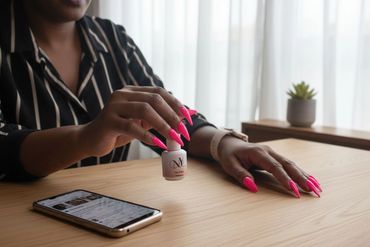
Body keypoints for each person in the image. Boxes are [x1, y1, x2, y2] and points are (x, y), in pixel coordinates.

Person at [0, 0, 321, 198]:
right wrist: (84, 138)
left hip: (111, 220)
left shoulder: (113, 38)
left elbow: (163, 114)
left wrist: (223, 144)